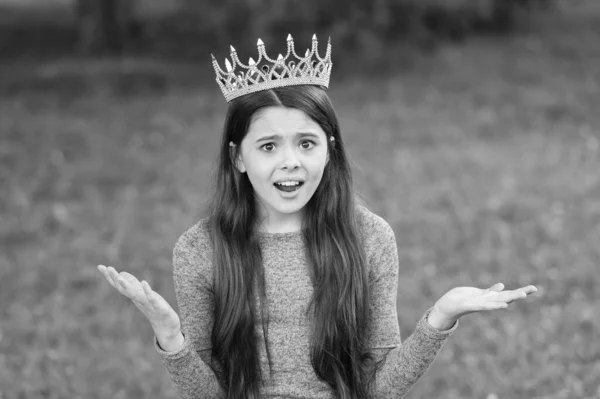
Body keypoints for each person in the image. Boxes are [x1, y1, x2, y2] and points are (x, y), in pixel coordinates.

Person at [96, 34, 537, 398]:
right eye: (269, 146)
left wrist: (441, 317)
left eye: (306, 143)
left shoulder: (369, 237)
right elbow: (212, 393)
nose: (290, 162)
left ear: (329, 148)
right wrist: (172, 338)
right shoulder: (201, 249)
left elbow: (377, 387)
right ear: (239, 158)